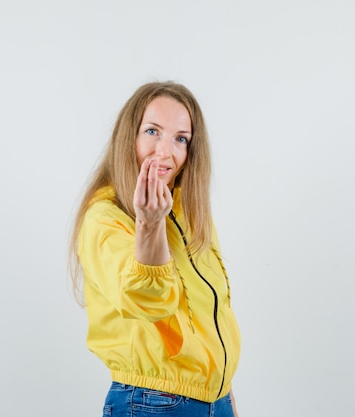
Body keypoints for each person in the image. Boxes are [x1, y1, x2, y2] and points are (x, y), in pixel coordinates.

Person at [69, 81, 241, 417]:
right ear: (128, 136)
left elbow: (211, 316)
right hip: (153, 403)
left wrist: (226, 400)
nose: (165, 151)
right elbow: (147, 301)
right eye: (152, 131)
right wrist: (150, 224)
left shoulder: (189, 211)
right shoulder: (105, 218)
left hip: (213, 401)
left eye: (181, 139)